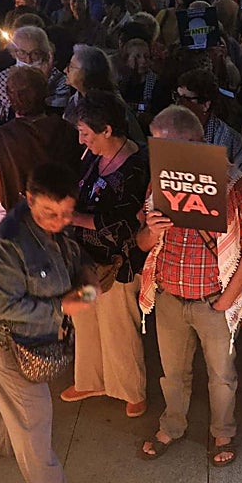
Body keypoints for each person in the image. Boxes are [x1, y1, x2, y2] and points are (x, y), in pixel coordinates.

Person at [0, 162, 94, 483]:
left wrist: (87, 276)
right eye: (49, 213)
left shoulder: (55, 224)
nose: (59, 221)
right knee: (33, 411)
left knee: (1, 389)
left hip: (8, 329)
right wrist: (62, 308)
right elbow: (5, 306)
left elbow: (72, 253)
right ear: (29, 199)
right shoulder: (7, 242)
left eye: (67, 213)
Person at [136, 105, 242, 467]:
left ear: (195, 142)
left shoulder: (234, 184)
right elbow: (143, 243)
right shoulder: (158, 182)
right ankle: (172, 426)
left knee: (222, 376)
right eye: (156, 146)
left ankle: (223, 431)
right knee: (172, 373)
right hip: (169, 296)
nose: (161, 156)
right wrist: (152, 230)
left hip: (213, 298)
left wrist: (226, 301)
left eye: (168, 146)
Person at [60, 93, 150, 415]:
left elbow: (124, 225)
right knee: (86, 318)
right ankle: (90, 378)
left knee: (117, 325)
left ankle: (130, 389)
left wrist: (73, 218)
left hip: (117, 263)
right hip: (85, 256)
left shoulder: (135, 168)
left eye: (86, 132)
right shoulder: (93, 155)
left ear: (108, 130)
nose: (81, 139)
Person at [0, 66, 82, 229]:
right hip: (59, 219)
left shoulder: (1, 139)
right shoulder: (67, 130)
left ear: (10, 97)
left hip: (17, 227)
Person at [0, 26, 72, 128]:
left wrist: (43, 80)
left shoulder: (60, 80)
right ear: (14, 53)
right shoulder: (3, 78)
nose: (28, 60)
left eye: (35, 53)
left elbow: (53, 120)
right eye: (22, 53)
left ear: (45, 53)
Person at [172, 68, 242, 171]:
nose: (178, 104)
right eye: (177, 97)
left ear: (205, 105)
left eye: (186, 99)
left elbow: (238, 183)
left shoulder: (231, 140)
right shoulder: (169, 132)